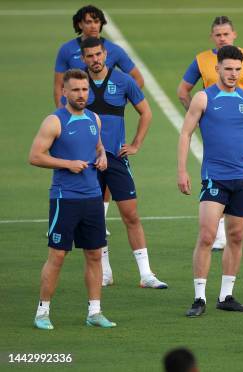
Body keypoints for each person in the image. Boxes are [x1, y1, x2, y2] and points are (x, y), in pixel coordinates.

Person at [177, 45, 243, 317]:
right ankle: (199, 298)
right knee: (207, 235)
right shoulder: (203, 99)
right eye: (228, 68)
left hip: (242, 179)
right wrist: (182, 170)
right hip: (214, 178)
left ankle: (226, 295)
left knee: (236, 236)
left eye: (237, 69)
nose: (232, 74)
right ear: (217, 68)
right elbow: (185, 134)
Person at [30, 68, 115, 329]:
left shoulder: (94, 118)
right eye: (76, 90)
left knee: (94, 255)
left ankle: (95, 312)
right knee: (57, 256)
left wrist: (102, 157)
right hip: (64, 199)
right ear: (64, 92)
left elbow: (97, 146)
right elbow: (35, 156)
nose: (81, 94)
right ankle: (42, 313)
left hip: (92, 198)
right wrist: (67, 163)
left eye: (85, 89)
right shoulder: (54, 121)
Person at [79, 37, 167, 289]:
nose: (95, 60)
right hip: (89, 164)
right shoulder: (78, 84)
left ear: (105, 54)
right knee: (96, 218)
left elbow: (146, 112)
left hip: (117, 160)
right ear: (83, 58)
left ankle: (146, 274)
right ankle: (105, 273)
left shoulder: (123, 81)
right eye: (90, 56)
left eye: (98, 54)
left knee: (131, 215)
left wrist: (136, 143)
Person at [177, 16, 243, 250]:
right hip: (218, 126)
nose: (222, 38)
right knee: (217, 175)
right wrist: (200, 118)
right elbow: (182, 91)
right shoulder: (201, 60)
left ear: (234, 34)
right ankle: (217, 235)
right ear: (212, 37)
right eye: (218, 34)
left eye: (226, 34)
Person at [54, 5, 145, 235]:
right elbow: (59, 86)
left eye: (97, 21)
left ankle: (98, 219)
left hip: (111, 142)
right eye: (88, 21)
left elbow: (136, 80)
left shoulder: (114, 50)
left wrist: (117, 99)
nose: (93, 25)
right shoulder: (67, 51)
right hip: (81, 127)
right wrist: (64, 119)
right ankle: (67, 218)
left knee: (108, 179)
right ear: (79, 24)